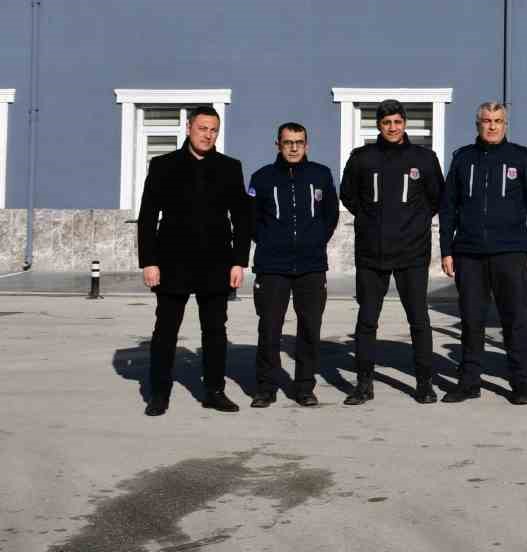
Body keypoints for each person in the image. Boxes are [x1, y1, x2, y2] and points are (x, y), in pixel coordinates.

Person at [137, 105, 252, 416]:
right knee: (166, 331)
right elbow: (147, 216)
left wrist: (239, 261)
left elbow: (242, 217)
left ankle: (214, 391)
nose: (208, 134)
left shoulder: (230, 167)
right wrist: (149, 261)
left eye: (213, 130)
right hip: (172, 262)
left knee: (215, 332)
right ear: (189, 128)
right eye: (203, 128)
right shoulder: (163, 165)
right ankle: (159, 394)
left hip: (216, 263)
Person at [438, 102, 527, 405]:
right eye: (486, 120)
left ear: (505, 124)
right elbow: (448, 208)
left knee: (514, 321)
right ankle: (469, 382)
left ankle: (519, 384)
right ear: (478, 124)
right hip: (469, 253)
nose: (492, 126)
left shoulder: (521, 158)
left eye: (498, 121)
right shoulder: (463, 159)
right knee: (472, 321)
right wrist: (447, 249)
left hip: (511, 252)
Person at [338, 99, 444, 406]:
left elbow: (437, 197)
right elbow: (348, 194)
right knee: (367, 320)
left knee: (418, 320)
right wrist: (370, 220)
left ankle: (424, 383)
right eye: (387, 123)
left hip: (412, 253)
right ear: (378, 125)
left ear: (405, 123)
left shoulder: (423, 158)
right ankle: (363, 383)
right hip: (372, 253)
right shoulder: (362, 158)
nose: (393, 128)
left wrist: (416, 222)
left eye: (397, 122)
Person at [248, 121, 339, 408]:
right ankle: (265, 387)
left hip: (311, 266)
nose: (294, 147)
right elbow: (251, 220)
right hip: (272, 266)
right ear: (278, 144)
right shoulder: (261, 178)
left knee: (310, 328)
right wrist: (270, 241)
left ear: (307, 145)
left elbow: (330, 215)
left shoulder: (320, 175)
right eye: (288, 142)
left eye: (299, 142)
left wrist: (314, 241)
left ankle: (304, 387)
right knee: (270, 328)